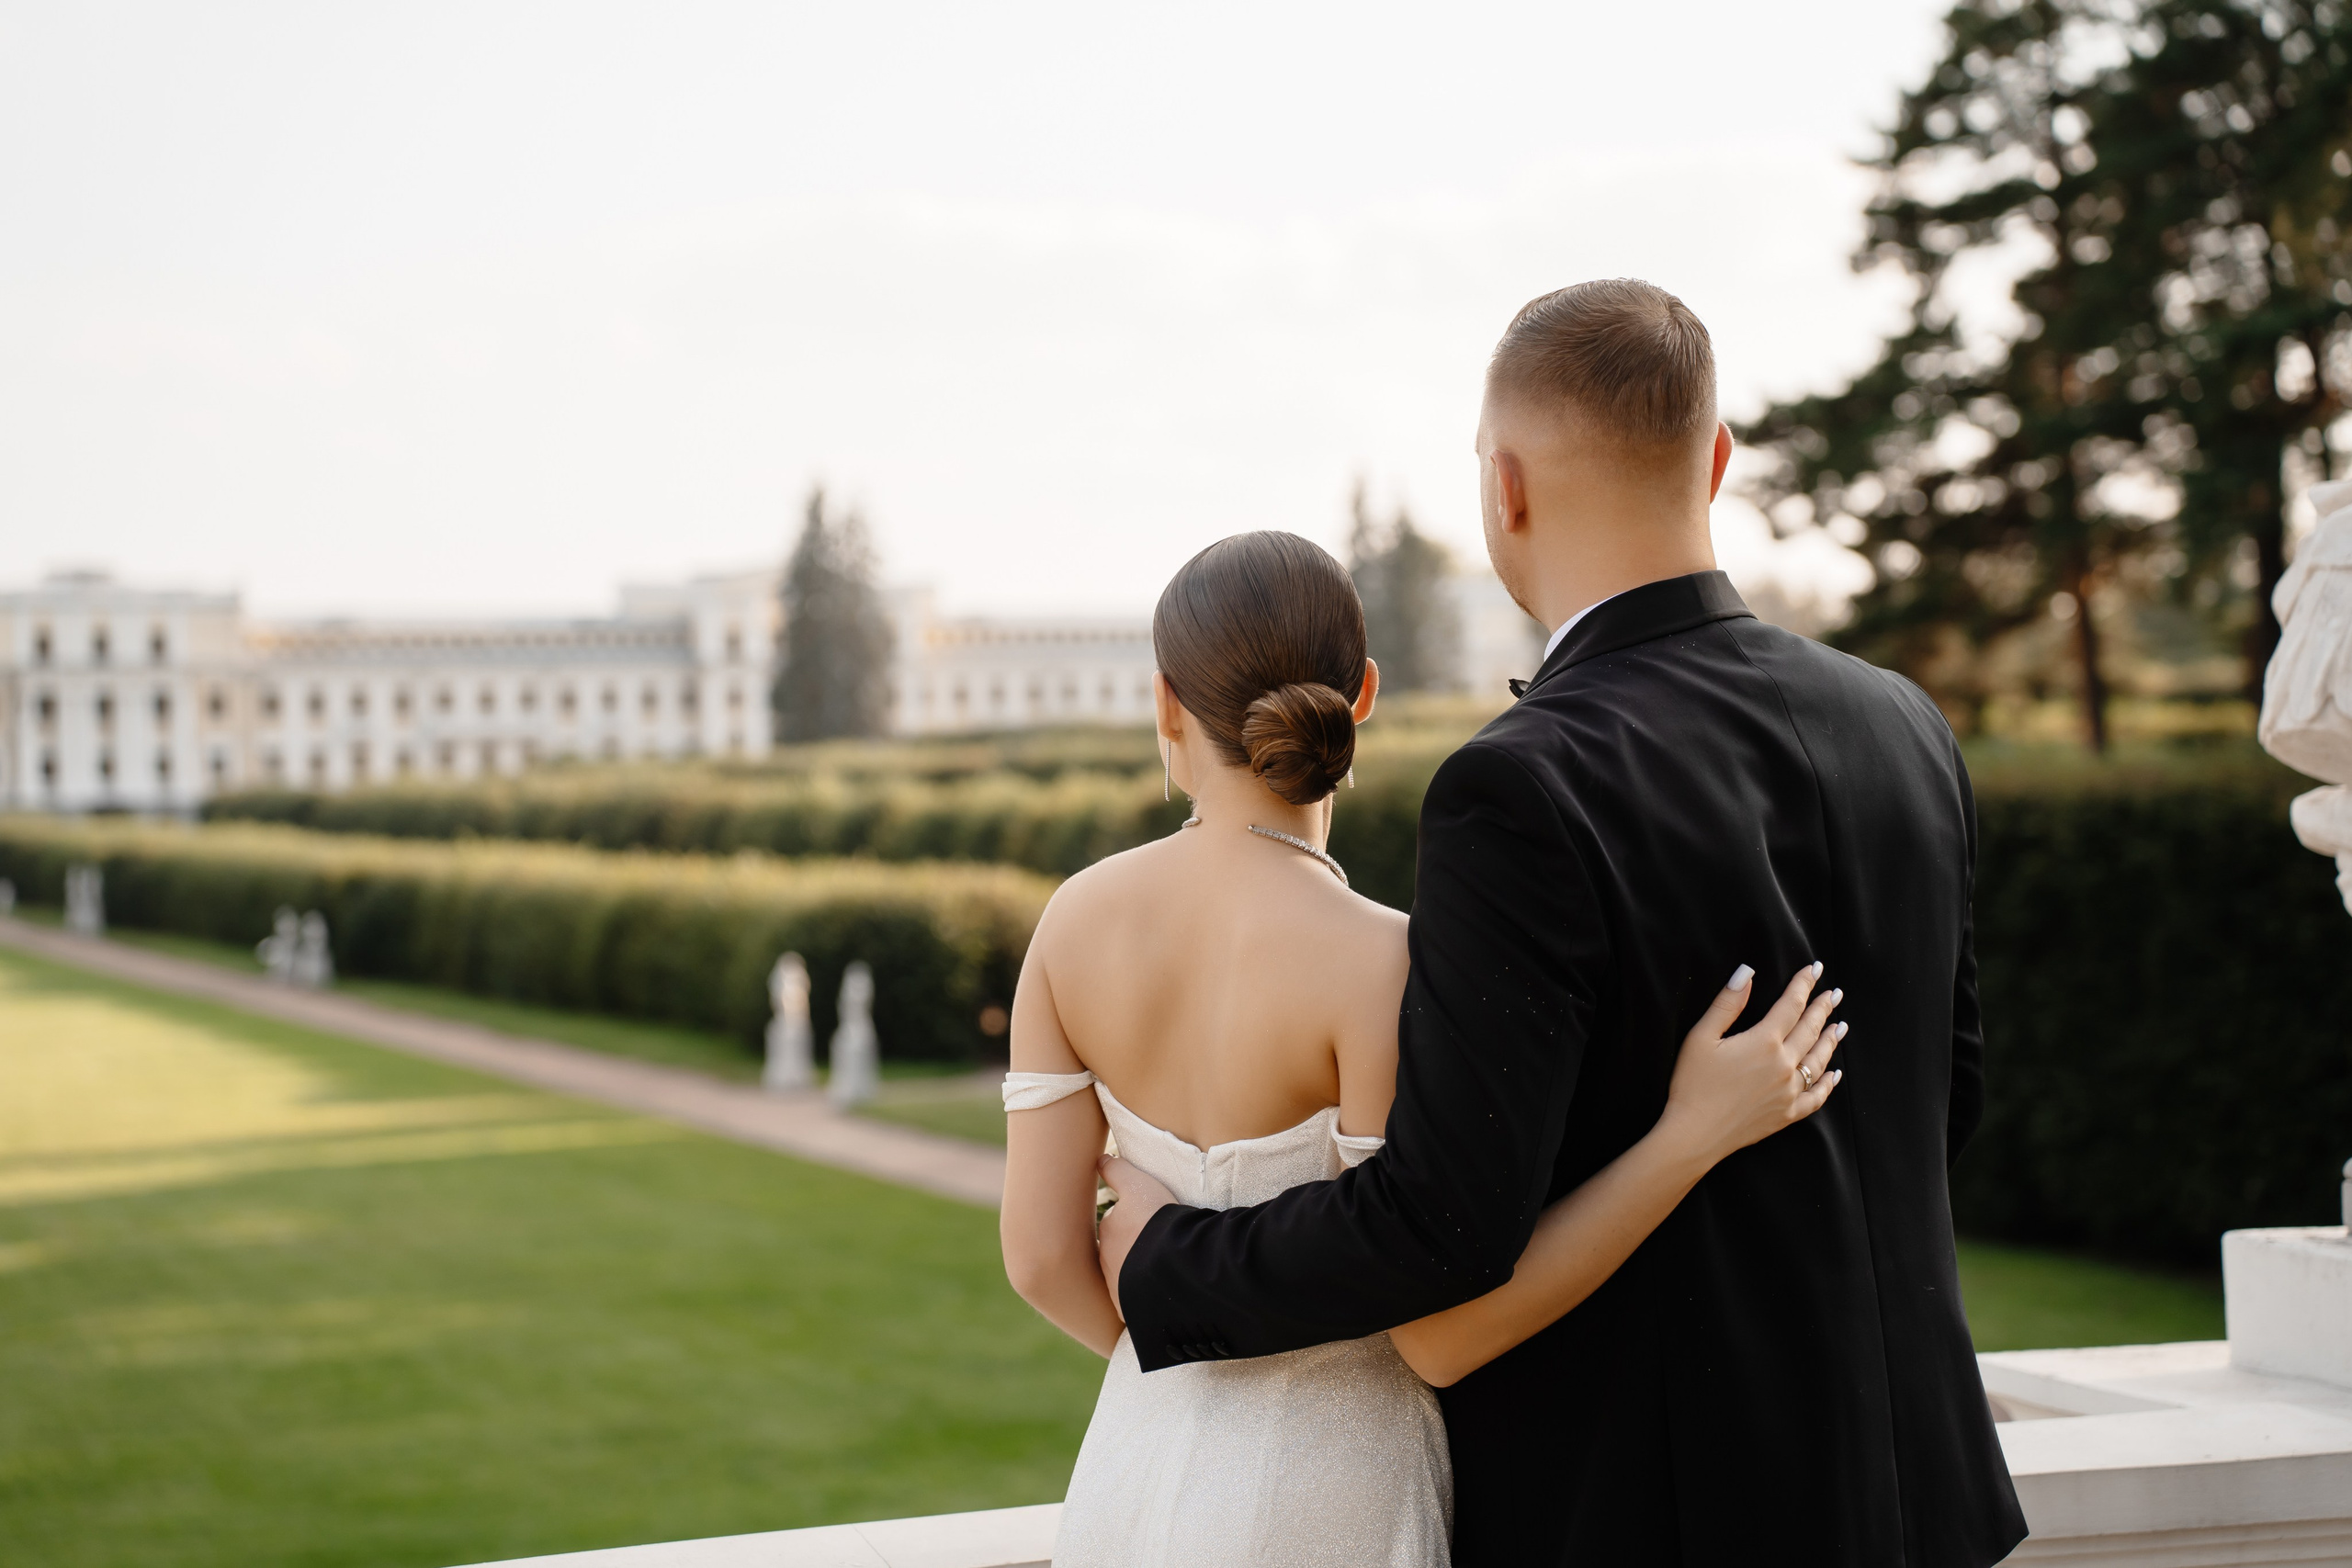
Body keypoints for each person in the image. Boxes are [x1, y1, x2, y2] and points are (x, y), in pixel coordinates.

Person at [1098, 281, 2029, 1567]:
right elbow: (1940, 1101)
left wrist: (1164, 1259)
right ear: (1716, 460)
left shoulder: (1522, 784)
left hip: (1661, 1521)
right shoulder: (1903, 723)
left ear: (1505, 487)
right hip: (1924, 1501)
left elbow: (1438, 1226)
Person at [1001, 528, 1848, 1567]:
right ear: (1362, 694)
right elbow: (1437, 1336)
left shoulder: (1071, 922)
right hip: (1339, 1492)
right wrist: (1689, 1134)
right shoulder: (1388, 961)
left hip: (1130, 1474)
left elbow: (1042, 1258)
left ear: (1166, 704)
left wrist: (1183, 1372)